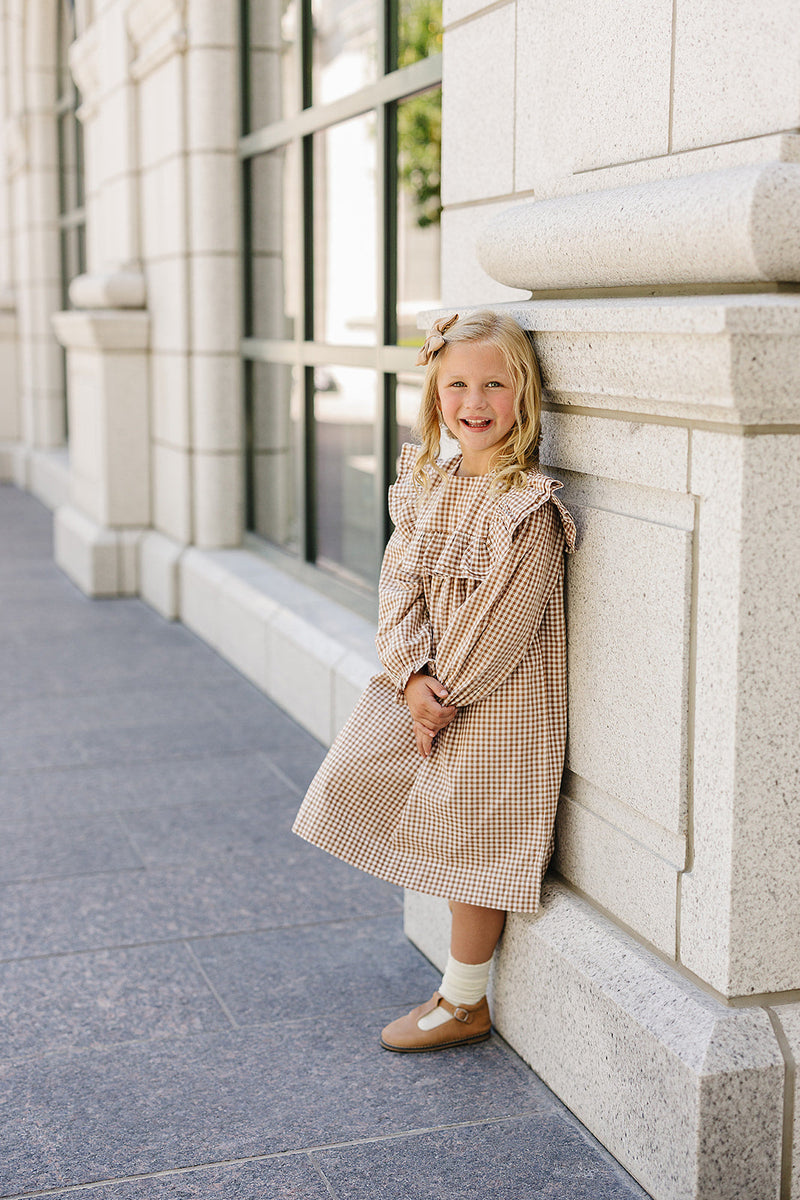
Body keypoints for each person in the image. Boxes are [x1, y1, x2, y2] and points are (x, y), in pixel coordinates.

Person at [292, 309, 576, 1052]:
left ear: (525, 394)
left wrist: (438, 700)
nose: (474, 403)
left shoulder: (528, 510)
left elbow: (498, 628)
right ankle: (457, 991)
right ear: (435, 394)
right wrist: (411, 674)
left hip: (495, 706)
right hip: (431, 691)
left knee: (476, 849)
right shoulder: (428, 486)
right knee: (427, 826)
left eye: (495, 385)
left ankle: (464, 1000)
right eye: (457, 385)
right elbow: (397, 585)